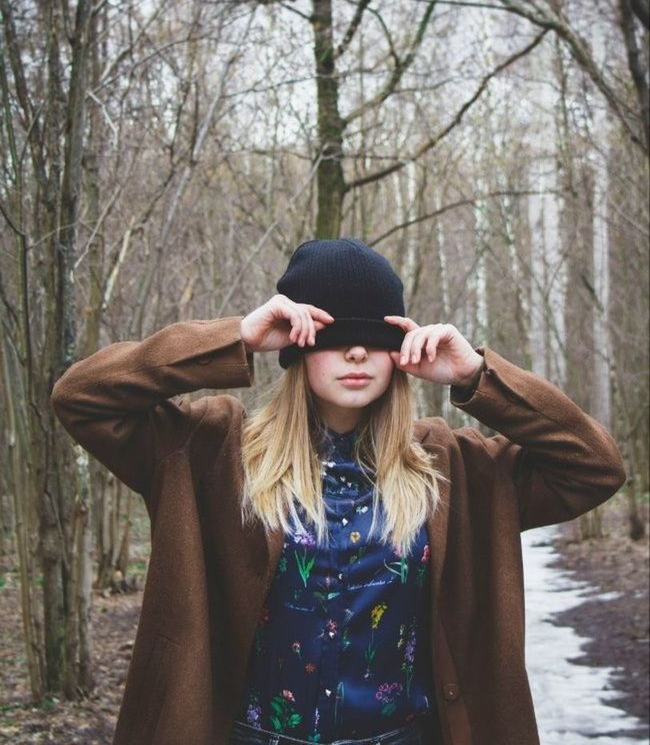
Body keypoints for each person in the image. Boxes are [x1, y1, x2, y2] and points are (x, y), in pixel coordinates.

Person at [51, 238, 626, 745]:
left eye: (374, 338)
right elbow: (81, 398)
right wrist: (234, 339)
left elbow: (595, 466)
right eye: (334, 337)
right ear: (296, 347)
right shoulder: (211, 452)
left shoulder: (452, 468)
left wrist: (480, 375)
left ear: (401, 352)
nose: (356, 353)